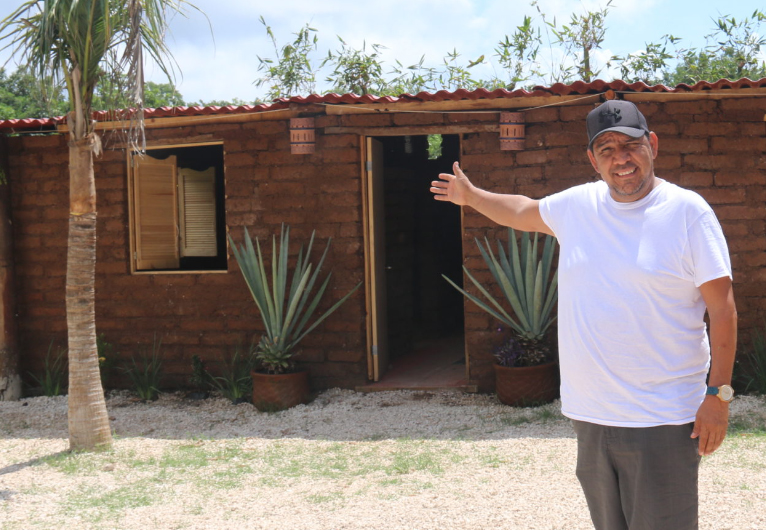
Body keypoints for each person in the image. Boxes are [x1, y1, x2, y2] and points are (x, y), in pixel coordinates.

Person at [430, 99, 737, 530]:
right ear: (593, 160)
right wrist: (470, 197)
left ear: (652, 145)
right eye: (607, 150)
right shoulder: (578, 206)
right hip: (591, 417)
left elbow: (722, 311)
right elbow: (521, 210)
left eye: (630, 145)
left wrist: (717, 397)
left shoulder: (687, 213)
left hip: (663, 418)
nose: (621, 159)